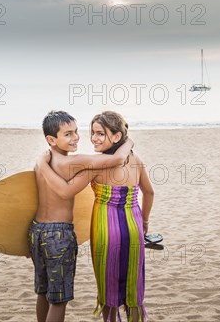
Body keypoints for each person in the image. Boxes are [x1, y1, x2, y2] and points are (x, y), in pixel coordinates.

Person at [37, 111, 155, 322]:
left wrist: (43, 164)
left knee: (108, 287)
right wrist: (144, 221)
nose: (93, 138)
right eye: (92, 133)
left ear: (116, 136)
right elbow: (149, 192)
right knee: (134, 286)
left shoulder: (96, 165)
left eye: (100, 133)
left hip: (106, 229)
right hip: (134, 226)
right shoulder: (136, 159)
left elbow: (66, 190)